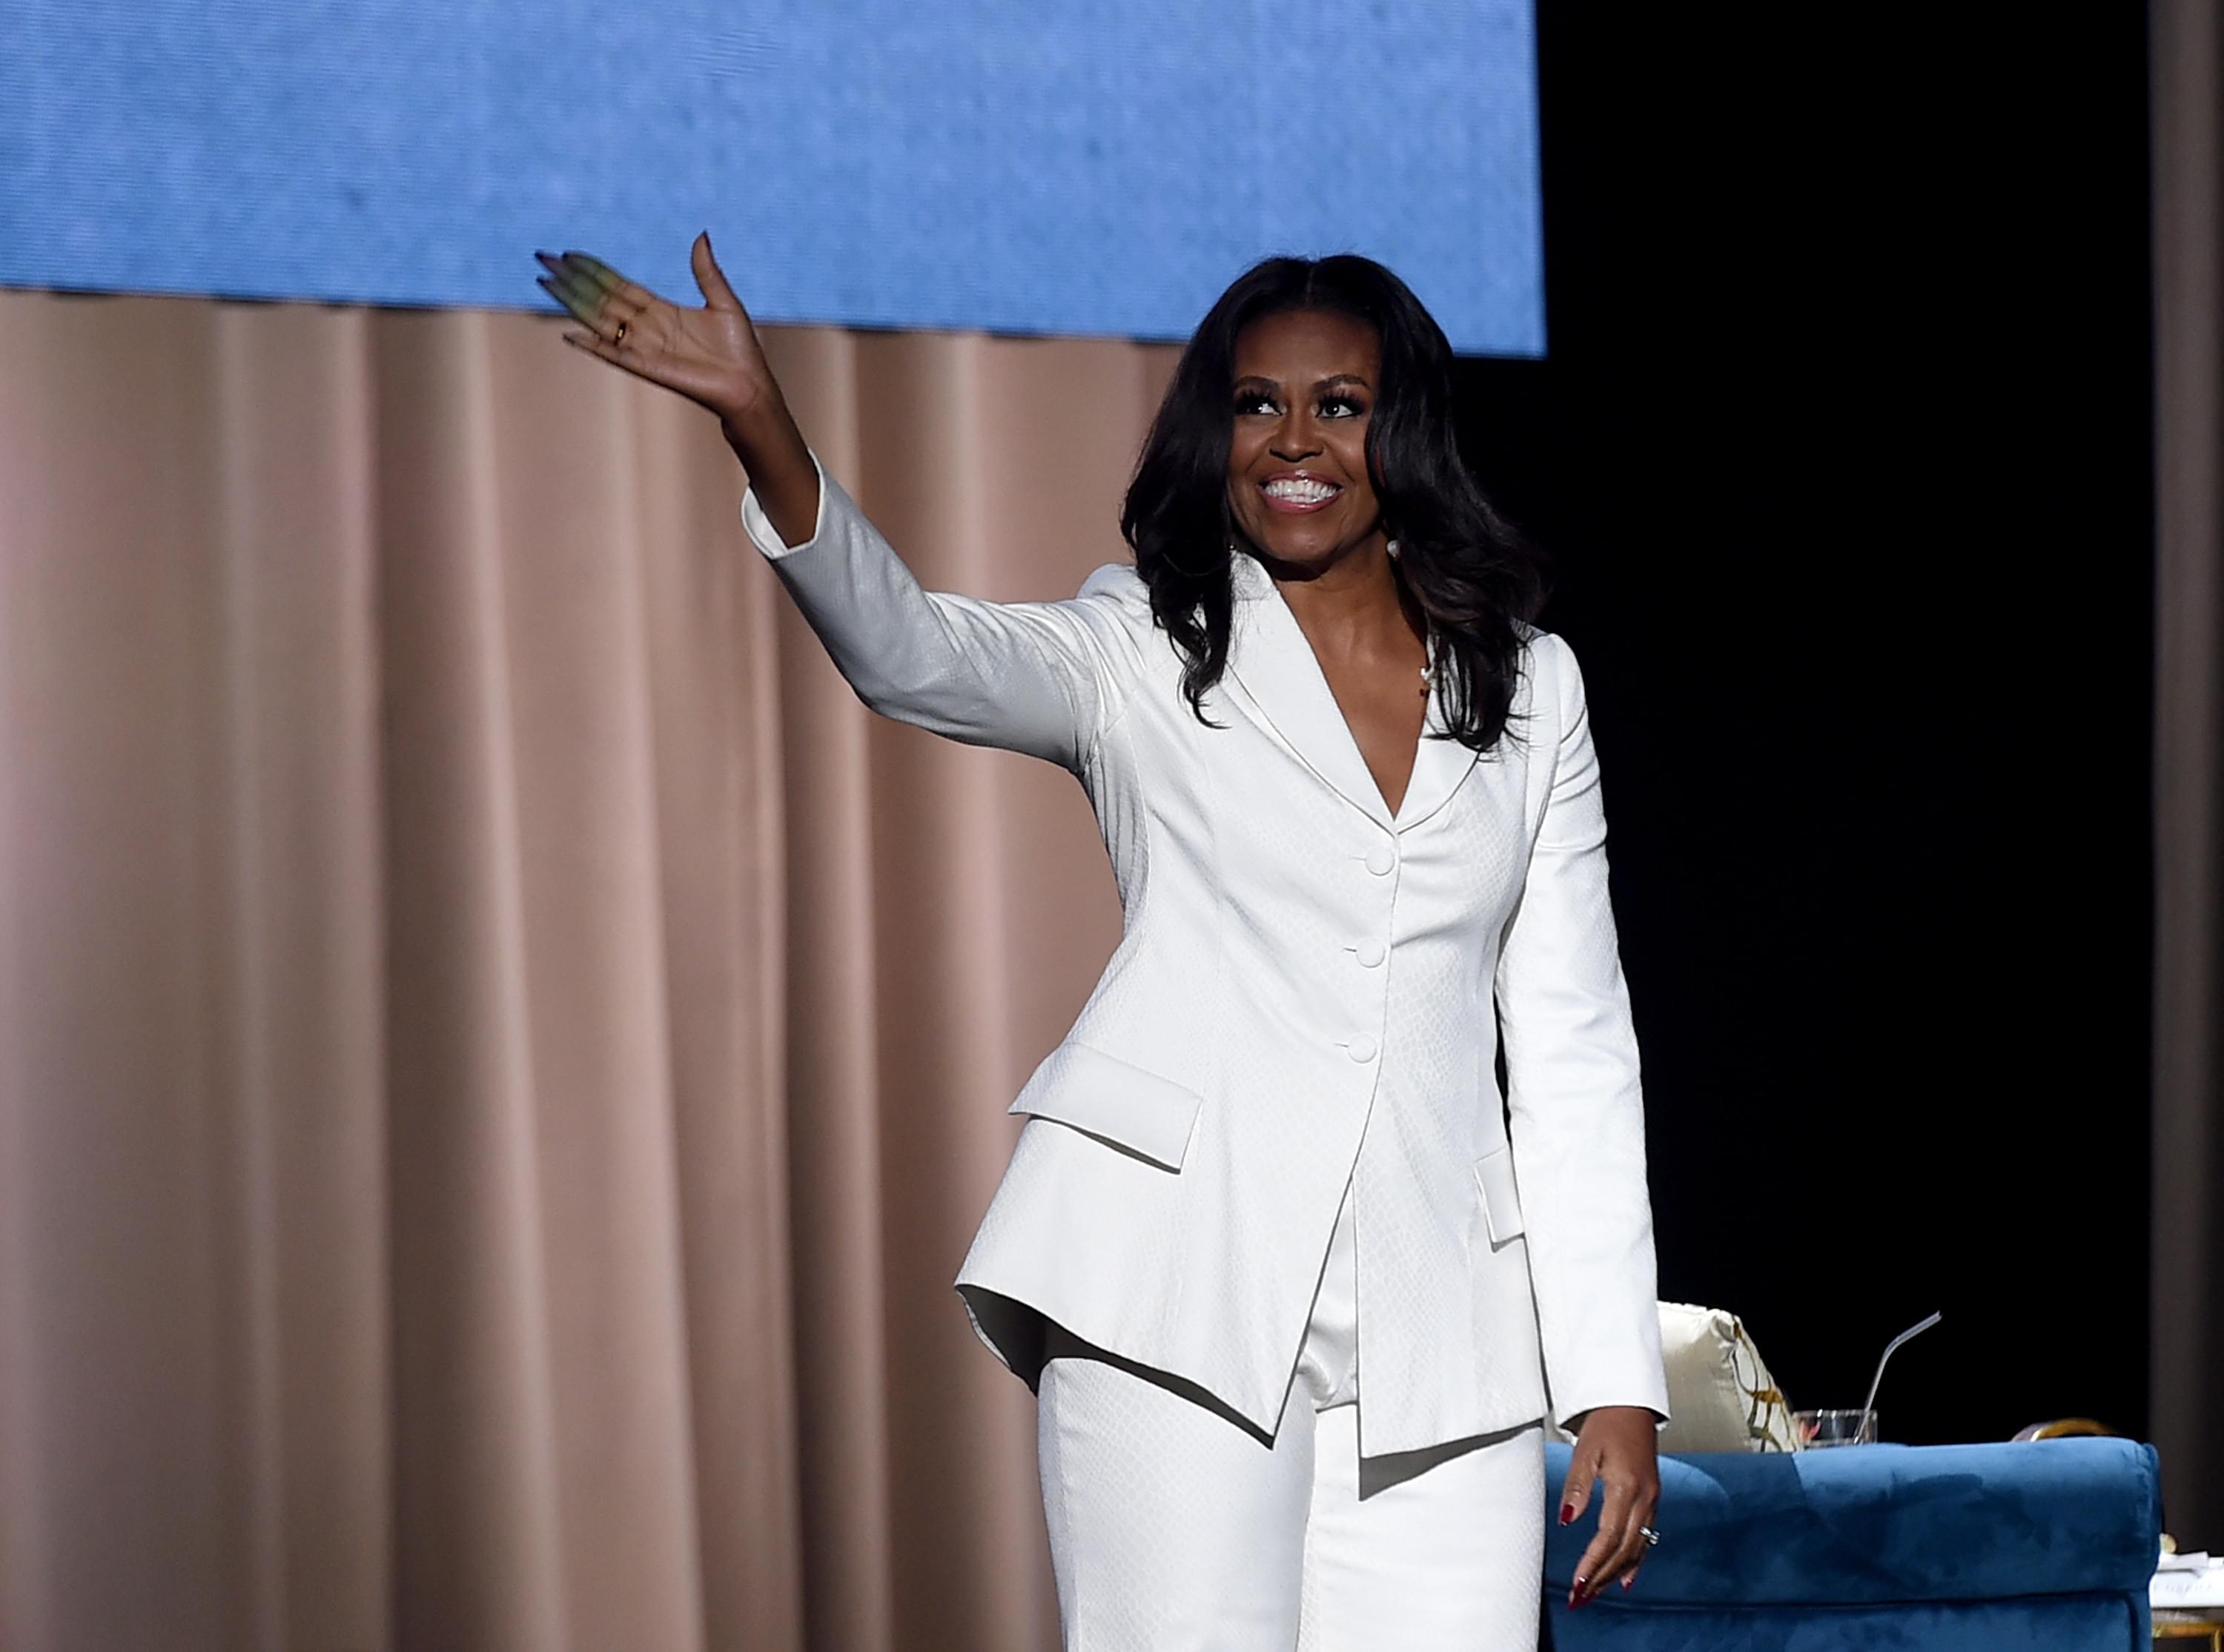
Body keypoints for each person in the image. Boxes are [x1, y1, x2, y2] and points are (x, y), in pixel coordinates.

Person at [536, 233, 1669, 1650]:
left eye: (1339, 403)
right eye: (1257, 404)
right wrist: (769, 431)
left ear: (1408, 428)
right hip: (1169, 1289)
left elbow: (1570, 1044)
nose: (1293, 441)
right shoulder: (1141, 642)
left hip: (1444, 1337)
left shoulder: (1529, 686)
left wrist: (1610, 1374)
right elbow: (916, 653)